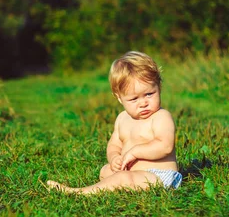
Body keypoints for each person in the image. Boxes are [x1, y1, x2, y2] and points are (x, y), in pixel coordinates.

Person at [47, 51, 182, 194]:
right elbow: (114, 145)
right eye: (134, 99)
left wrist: (134, 152)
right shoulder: (122, 118)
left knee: (123, 178)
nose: (143, 103)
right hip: (133, 174)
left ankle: (79, 192)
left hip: (159, 177)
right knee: (106, 170)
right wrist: (114, 158)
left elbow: (165, 146)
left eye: (149, 94)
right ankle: (116, 184)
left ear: (159, 88)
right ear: (119, 98)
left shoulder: (161, 117)